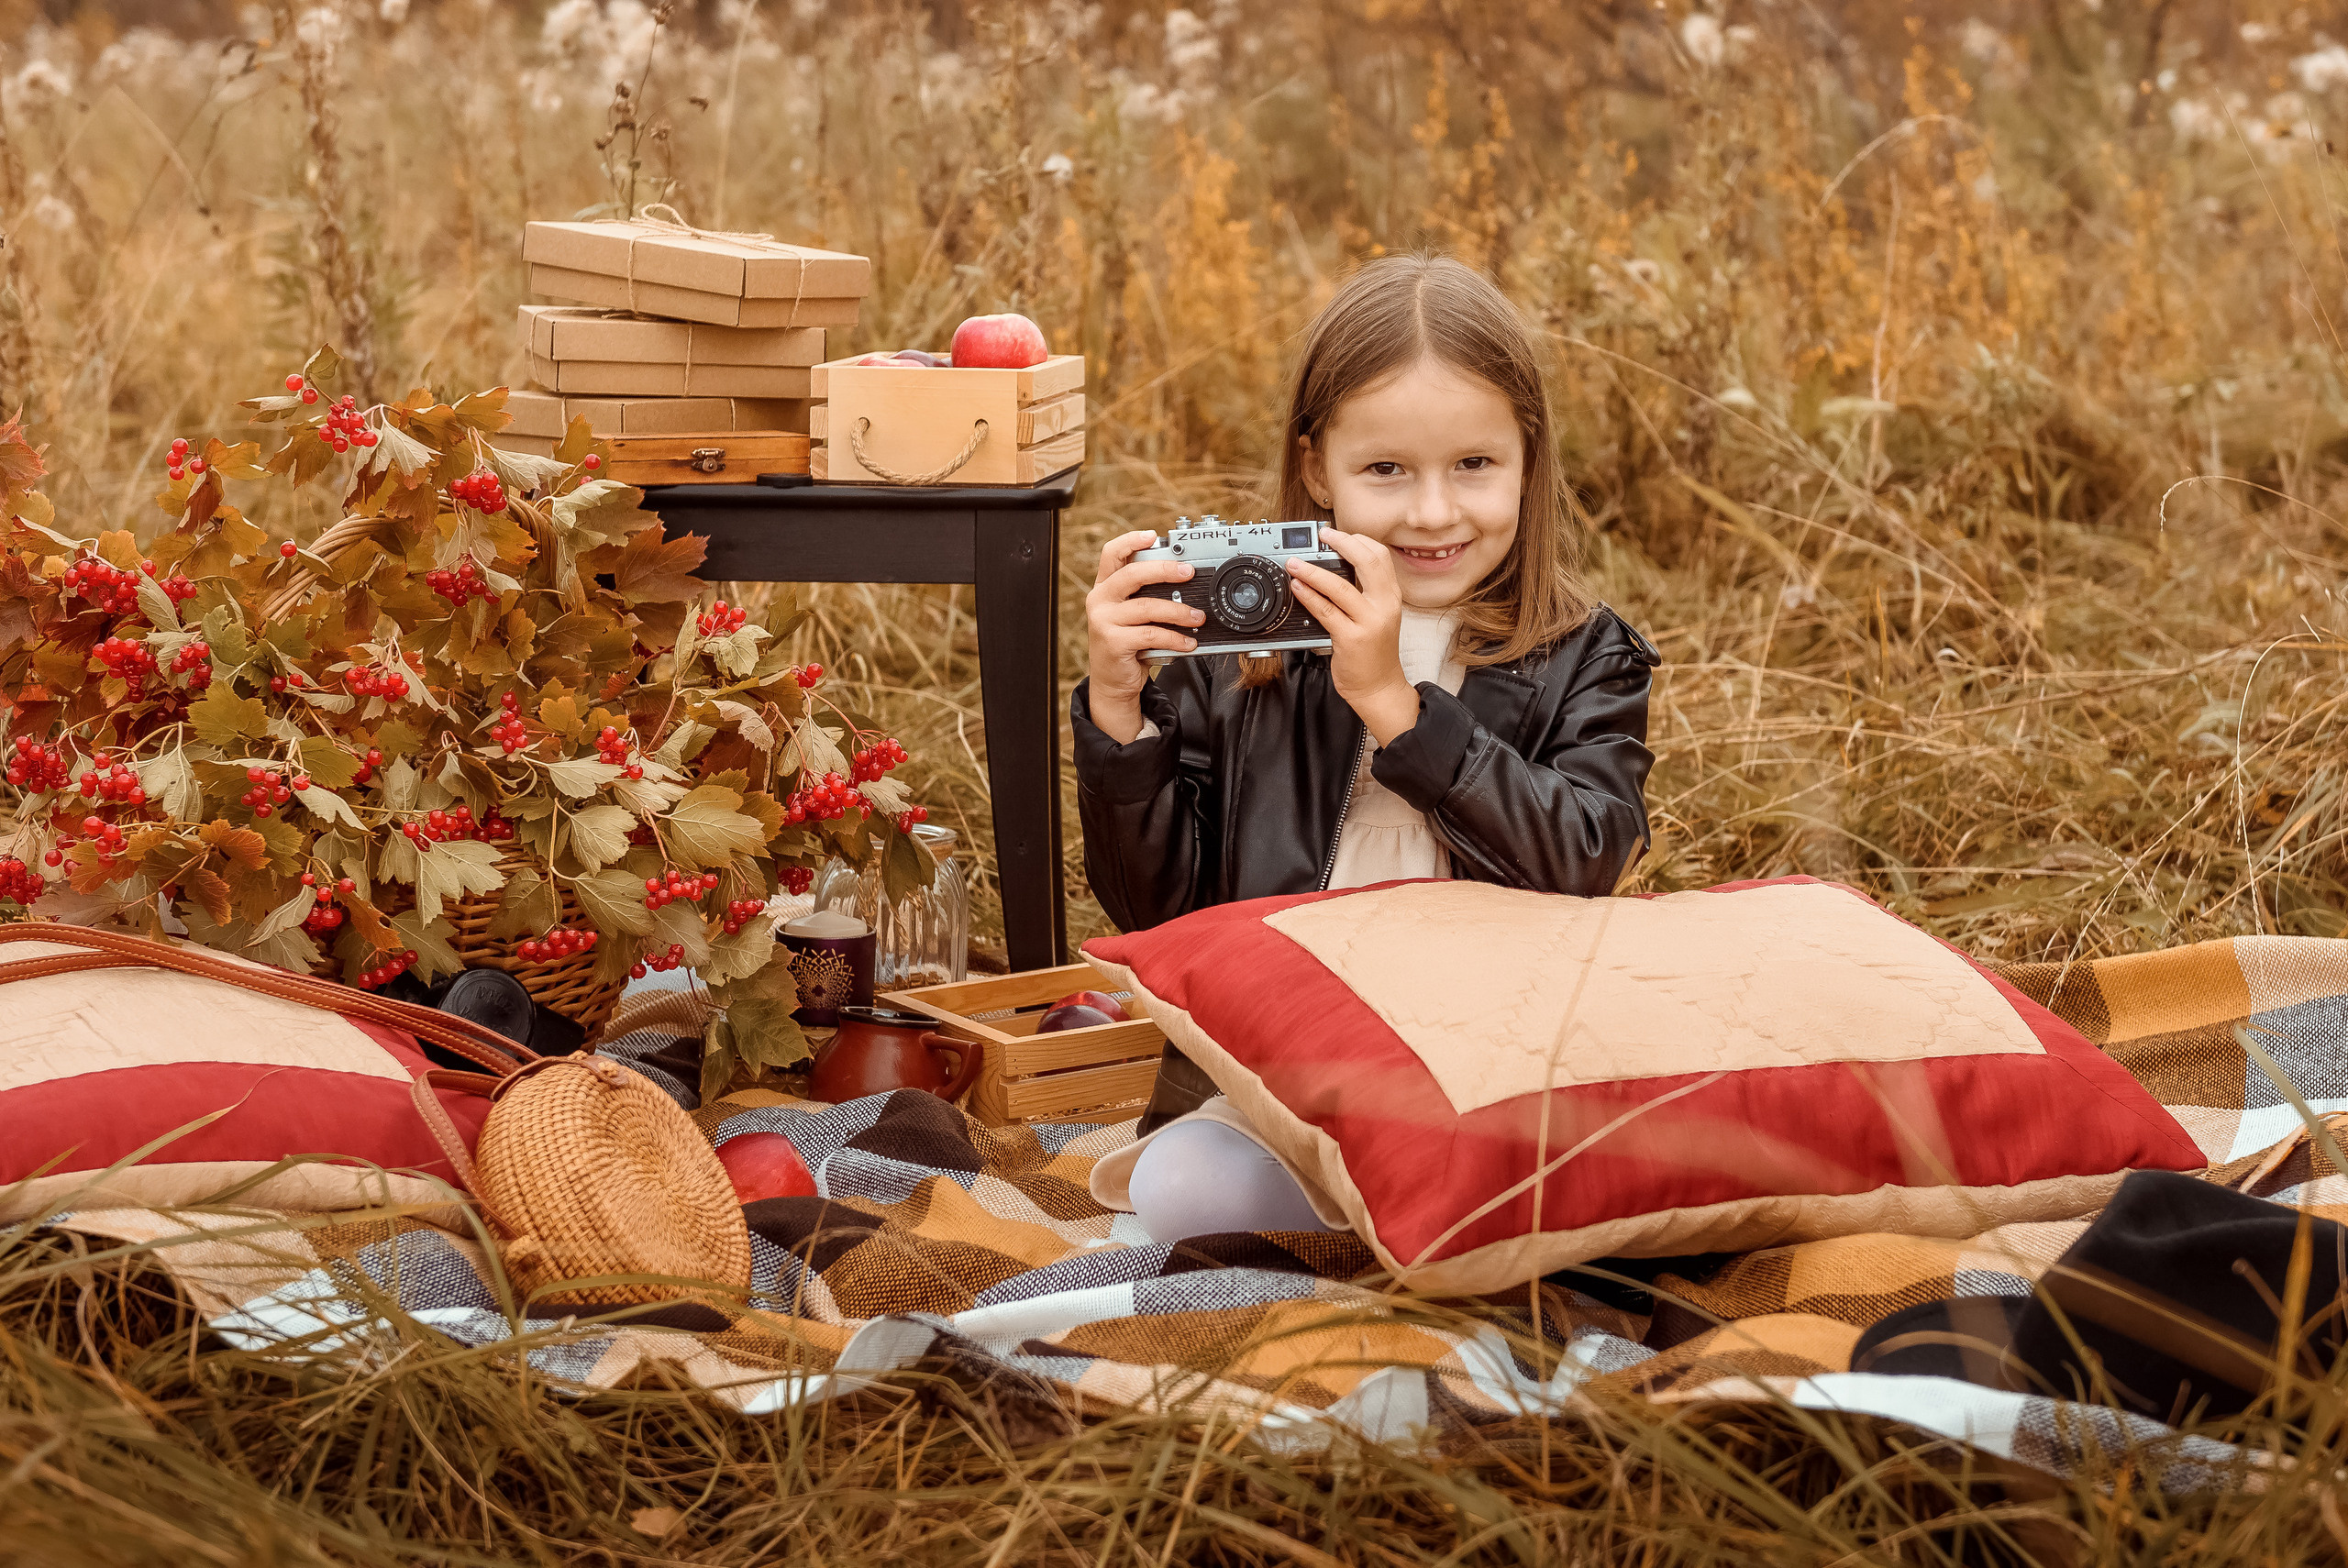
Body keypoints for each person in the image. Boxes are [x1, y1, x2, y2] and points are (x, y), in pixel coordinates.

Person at [1071, 253, 1661, 1243]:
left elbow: (1584, 856)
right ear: (1316, 469)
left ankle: (1415, 1206)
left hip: (1489, 1071)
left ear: (1527, 458)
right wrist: (1121, 714)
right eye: (1385, 470)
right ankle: (1410, 1214)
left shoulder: (1586, 655)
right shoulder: (1243, 654)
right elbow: (1160, 918)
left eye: (1474, 466)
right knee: (1186, 1186)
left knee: (1595, 1150)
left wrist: (1395, 705)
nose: (1432, 512)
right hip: (1290, 1084)